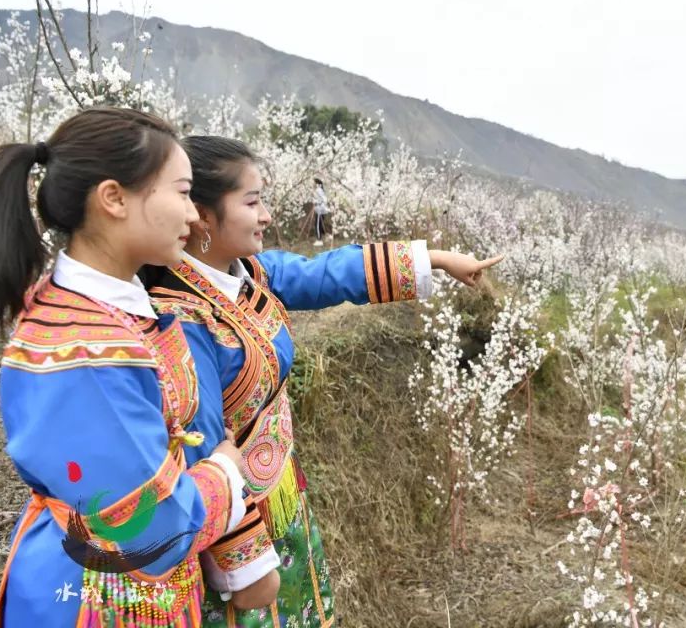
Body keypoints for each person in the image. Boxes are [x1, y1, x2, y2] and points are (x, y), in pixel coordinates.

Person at [144, 135, 502, 626]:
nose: (267, 215)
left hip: (281, 497)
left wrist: (435, 259)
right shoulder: (181, 318)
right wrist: (244, 567)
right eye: (252, 202)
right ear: (202, 216)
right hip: (235, 525)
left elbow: (327, 273)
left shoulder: (250, 275)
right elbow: (201, 449)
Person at [0, 108, 276, 626]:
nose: (194, 216)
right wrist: (227, 472)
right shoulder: (86, 352)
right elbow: (152, 528)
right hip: (97, 596)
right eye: (182, 192)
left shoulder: (108, 309)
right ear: (114, 199)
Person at [311, 178, 329, 247]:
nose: (312, 184)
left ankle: (319, 240)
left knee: (317, 225)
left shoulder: (318, 190)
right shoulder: (318, 190)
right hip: (319, 210)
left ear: (317, 184)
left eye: (313, 182)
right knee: (320, 225)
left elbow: (324, 199)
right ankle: (326, 236)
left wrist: (316, 202)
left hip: (320, 210)